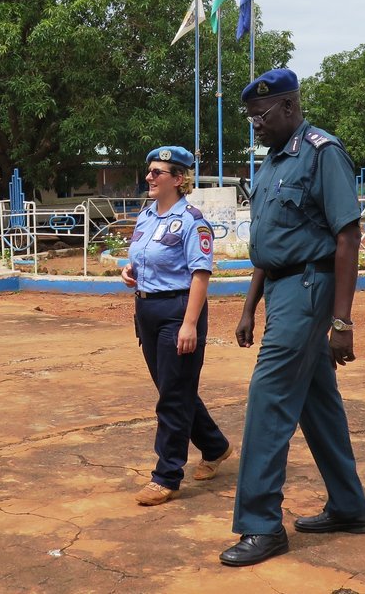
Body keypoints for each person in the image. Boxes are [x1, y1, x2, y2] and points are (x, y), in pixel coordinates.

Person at [219, 68, 365, 567]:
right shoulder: (270, 163)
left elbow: (347, 236)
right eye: (251, 118)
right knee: (316, 402)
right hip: (280, 288)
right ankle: (348, 506)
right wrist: (249, 306)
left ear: (288, 106)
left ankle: (262, 525)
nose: (256, 125)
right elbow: (270, 242)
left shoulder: (322, 153)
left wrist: (342, 322)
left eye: (260, 115)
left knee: (269, 400)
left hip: (309, 287)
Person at [120, 146, 232, 506]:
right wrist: (129, 271)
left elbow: (200, 275)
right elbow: (141, 258)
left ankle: (166, 475)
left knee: (172, 397)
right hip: (147, 310)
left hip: (178, 312)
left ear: (178, 179)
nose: (149, 177)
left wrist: (189, 325)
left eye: (157, 172)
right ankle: (215, 446)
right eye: (149, 171)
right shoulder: (146, 216)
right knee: (174, 389)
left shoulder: (192, 221)